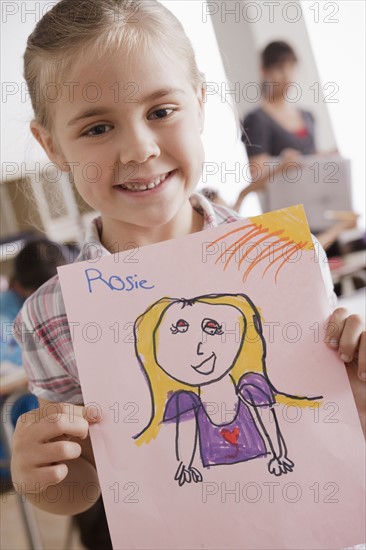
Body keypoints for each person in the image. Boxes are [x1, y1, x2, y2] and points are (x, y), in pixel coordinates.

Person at [9, 0, 365, 545]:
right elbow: (82, 486)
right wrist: (42, 477)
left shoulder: (285, 261)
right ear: (52, 145)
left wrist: (356, 396)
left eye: (161, 111)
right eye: (98, 127)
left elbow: (326, 435)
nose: (141, 148)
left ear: (199, 102)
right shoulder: (51, 317)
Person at [134, 293, 322, 486]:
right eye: (179, 330)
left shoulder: (251, 386)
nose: (198, 347)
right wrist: (185, 466)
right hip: (212, 487)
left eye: (212, 328)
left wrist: (278, 456)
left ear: (242, 333)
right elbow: (186, 437)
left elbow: (268, 421)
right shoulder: (184, 401)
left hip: (265, 475)